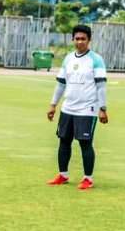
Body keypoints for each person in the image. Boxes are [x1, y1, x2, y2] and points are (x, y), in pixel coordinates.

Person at [46, 24, 108, 190]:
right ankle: (63, 175)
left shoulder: (96, 60)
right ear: (73, 39)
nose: (80, 42)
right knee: (63, 141)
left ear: (89, 40)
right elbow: (60, 84)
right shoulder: (68, 59)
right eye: (77, 38)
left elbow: (101, 86)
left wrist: (103, 108)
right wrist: (53, 105)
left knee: (85, 143)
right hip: (68, 108)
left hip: (87, 109)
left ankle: (88, 178)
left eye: (83, 39)